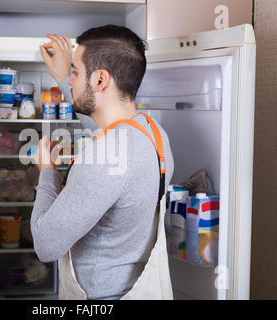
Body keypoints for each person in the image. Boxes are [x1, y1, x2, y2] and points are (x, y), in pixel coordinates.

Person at [32, 25, 175, 299]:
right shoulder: (154, 133)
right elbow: (104, 126)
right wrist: (64, 77)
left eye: (75, 71)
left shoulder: (103, 158)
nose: (71, 81)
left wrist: (47, 172)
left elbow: (45, 245)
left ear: (100, 80)